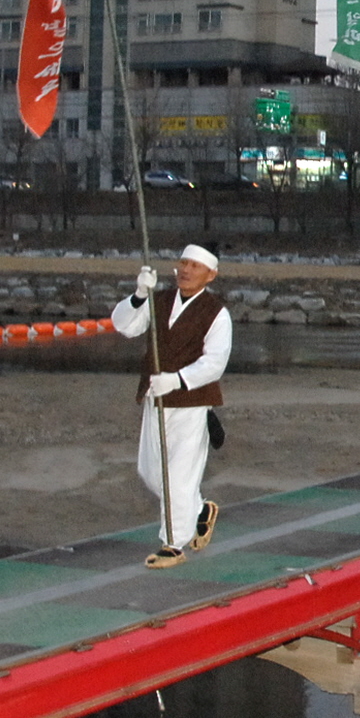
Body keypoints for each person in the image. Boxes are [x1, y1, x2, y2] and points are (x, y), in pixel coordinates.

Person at [113, 242, 234, 568]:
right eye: (183, 263)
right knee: (151, 472)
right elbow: (125, 326)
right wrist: (139, 295)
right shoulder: (160, 300)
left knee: (178, 478)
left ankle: (173, 544)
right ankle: (200, 509)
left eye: (195, 266)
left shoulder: (217, 313)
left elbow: (215, 363)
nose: (186, 270)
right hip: (156, 398)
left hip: (192, 402)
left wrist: (178, 379)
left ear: (211, 274)